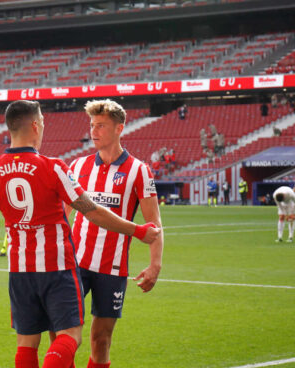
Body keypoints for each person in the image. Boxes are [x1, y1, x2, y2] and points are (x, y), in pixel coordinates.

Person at [0, 100, 161, 368]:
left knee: (38, 343)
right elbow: (90, 211)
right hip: (61, 267)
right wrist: (136, 230)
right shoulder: (57, 167)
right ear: (34, 126)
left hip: (34, 270)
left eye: (100, 125)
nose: (43, 127)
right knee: (68, 337)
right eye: (42, 122)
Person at [68, 99, 164, 368]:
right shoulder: (77, 167)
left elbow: (153, 223)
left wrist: (155, 265)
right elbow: (63, 214)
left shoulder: (139, 171)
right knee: (63, 333)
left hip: (112, 268)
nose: (93, 131)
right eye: (91, 125)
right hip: (75, 263)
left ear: (119, 128)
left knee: (101, 338)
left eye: (101, 125)